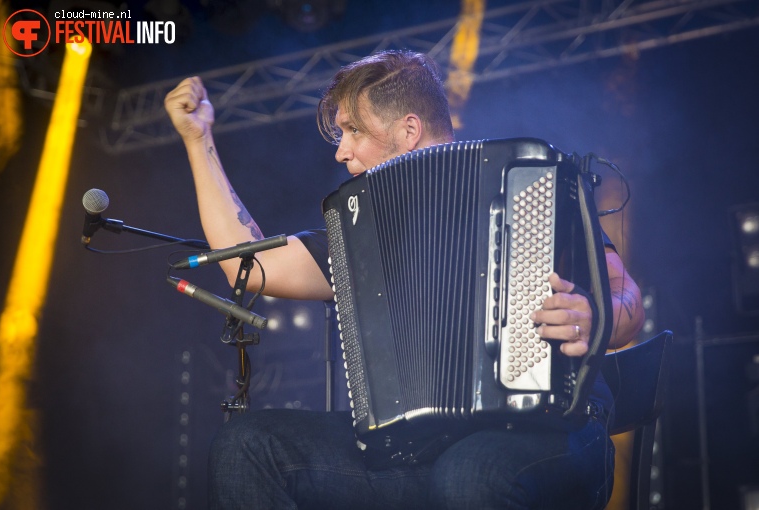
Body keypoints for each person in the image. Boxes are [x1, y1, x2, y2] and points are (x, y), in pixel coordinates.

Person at [165, 50, 644, 509]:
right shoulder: (360, 232)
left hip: (555, 430)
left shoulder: (526, 185)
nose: (341, 152)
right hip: (416, 451)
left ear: (409, 129)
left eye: (352, 130)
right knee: (247, 446)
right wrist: (197, 138)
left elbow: (627, 299)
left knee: (467, 476)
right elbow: (246, 265)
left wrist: (593, 315)